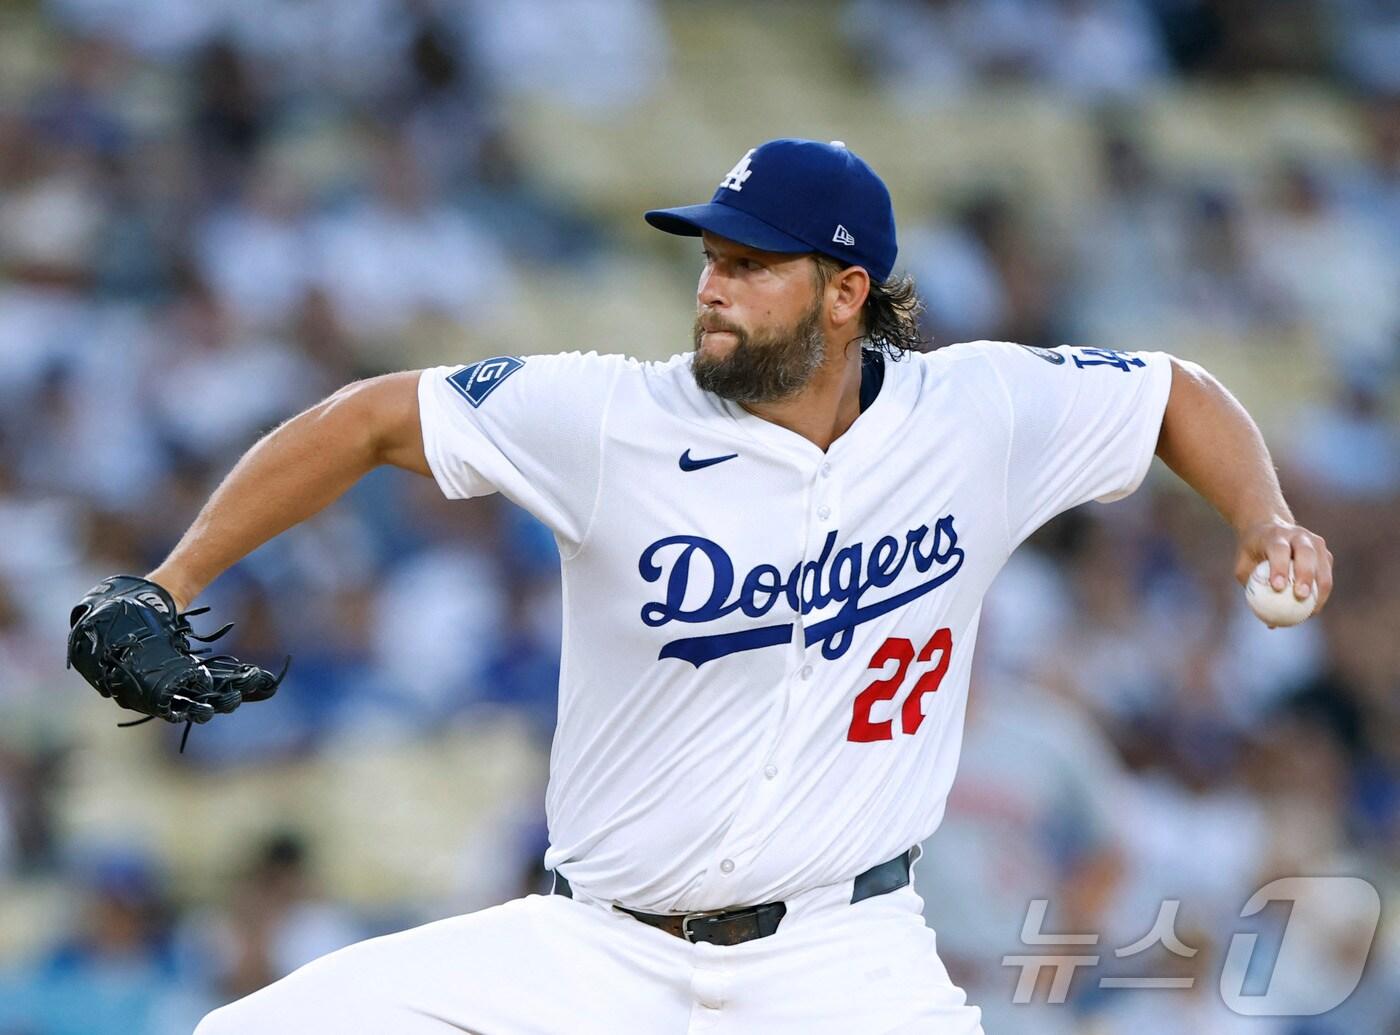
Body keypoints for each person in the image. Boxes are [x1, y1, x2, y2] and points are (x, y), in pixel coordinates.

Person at [126, 138, 1331, 1033]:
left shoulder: (975, 415)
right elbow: (372, 419)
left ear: (845, 290)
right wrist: (169, 580)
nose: (711, 286)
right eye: (710, 258)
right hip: (592, 954)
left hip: (842, 959)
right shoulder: (607, 416)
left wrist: (1258, 516)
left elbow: (1168, 388)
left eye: (751, 265)